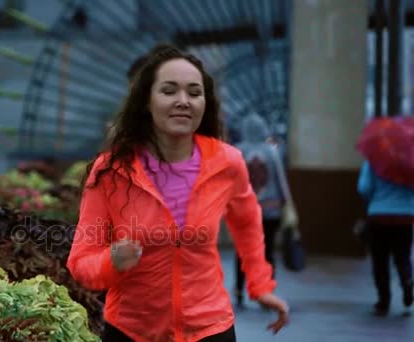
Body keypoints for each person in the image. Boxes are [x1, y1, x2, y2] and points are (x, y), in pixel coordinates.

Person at [67, 44, 288, 342]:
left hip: (210, 329)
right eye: (169, 91)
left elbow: (247, 222)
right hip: (131, 331)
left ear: (204, 104)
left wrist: (260, 285)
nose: (183, 101)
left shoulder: (227, 162)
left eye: (194, 93)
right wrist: (111, 262)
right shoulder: (111, 171)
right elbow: (81, 262)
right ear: (146, 100)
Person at [232, 113, 287, 307]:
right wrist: (287, 203)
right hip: (270, 212)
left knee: (242, 252)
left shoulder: (237, 152)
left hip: (243, 213)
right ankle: (267, 292)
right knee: (268, 252)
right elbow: (281, 181)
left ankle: (239, 290)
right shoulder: (273, 152)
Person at [357, 159, 414, 316]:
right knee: (403, 255)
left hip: (379, 216)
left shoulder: (374, 159)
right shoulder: (409, 160)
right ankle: (407, 280)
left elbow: (364, 188)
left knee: (380, 260)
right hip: (405, 216)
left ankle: (384, 300)